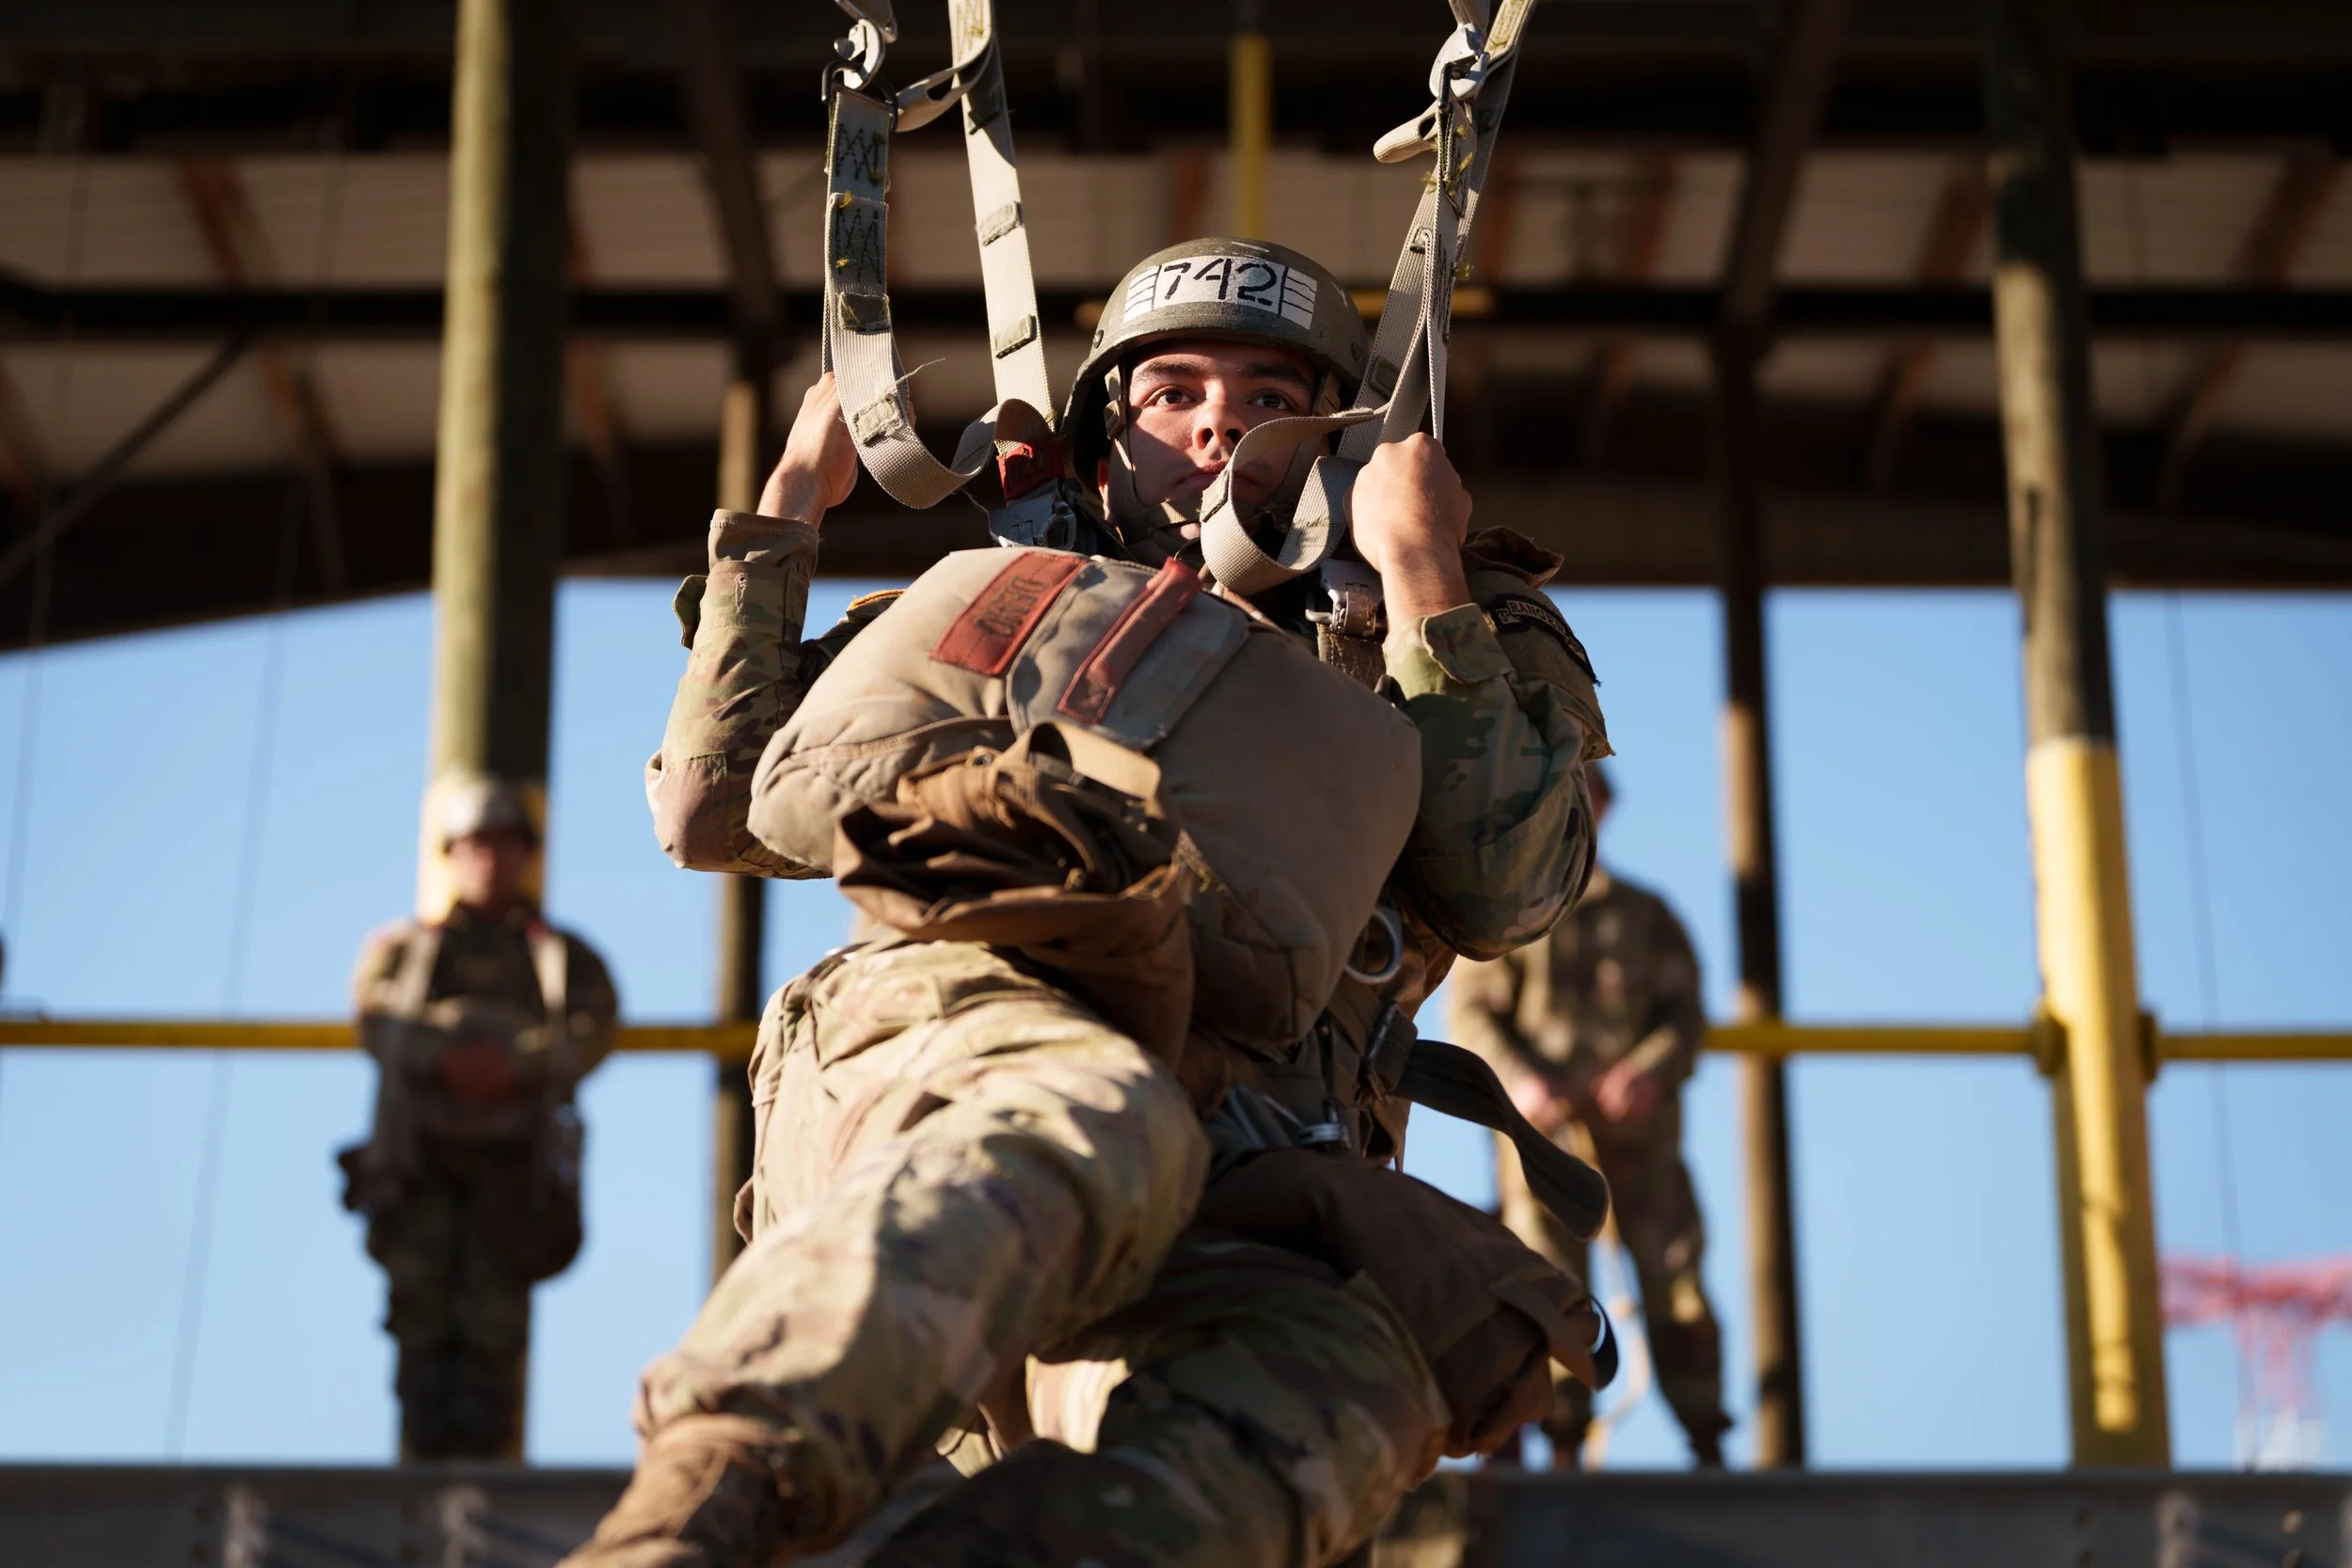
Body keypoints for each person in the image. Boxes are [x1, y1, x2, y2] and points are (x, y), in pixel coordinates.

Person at [570, 237, 1613, 1568]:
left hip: (1249, 1157)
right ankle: (698, 1520)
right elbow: (716, 808)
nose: (1220, 417)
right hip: (962, 1062)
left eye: (1267, 389)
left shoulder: (1442, 620)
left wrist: (1418, 574)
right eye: (1172, 388)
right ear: (1102, 434)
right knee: (1077, 1118)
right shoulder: (1004, 606)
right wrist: (786, 509)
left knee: (1349, 1362)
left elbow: (1507, 882)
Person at [1446, 764, 1730, 1467]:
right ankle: (1563, 1441)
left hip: (1640, 1141)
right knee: (1548, 1285)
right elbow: (1473, 1013)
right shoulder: (1507, 908)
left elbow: (1686, 1015)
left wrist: (1649, 1071)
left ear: (1603, 808)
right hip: (1544, 1145)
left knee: (1677, 1281)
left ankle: (1705, 1439)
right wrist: (1520, 1083)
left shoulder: (1646, 915)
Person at [339, 776, 619, 1461]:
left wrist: (515, 1061)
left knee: (494, 1337)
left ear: (525, 855)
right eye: (476, 846)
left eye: (503, 846)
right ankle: (424, 1479)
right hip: (422, 1164)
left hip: (509, 1173)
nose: (489, 860)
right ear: (454, 855)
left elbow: (593, 1026)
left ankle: (481, 1480)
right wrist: (449, 1056)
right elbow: (377, 1017)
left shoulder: (559, 956)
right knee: (422, 1328)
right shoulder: (407, 950)